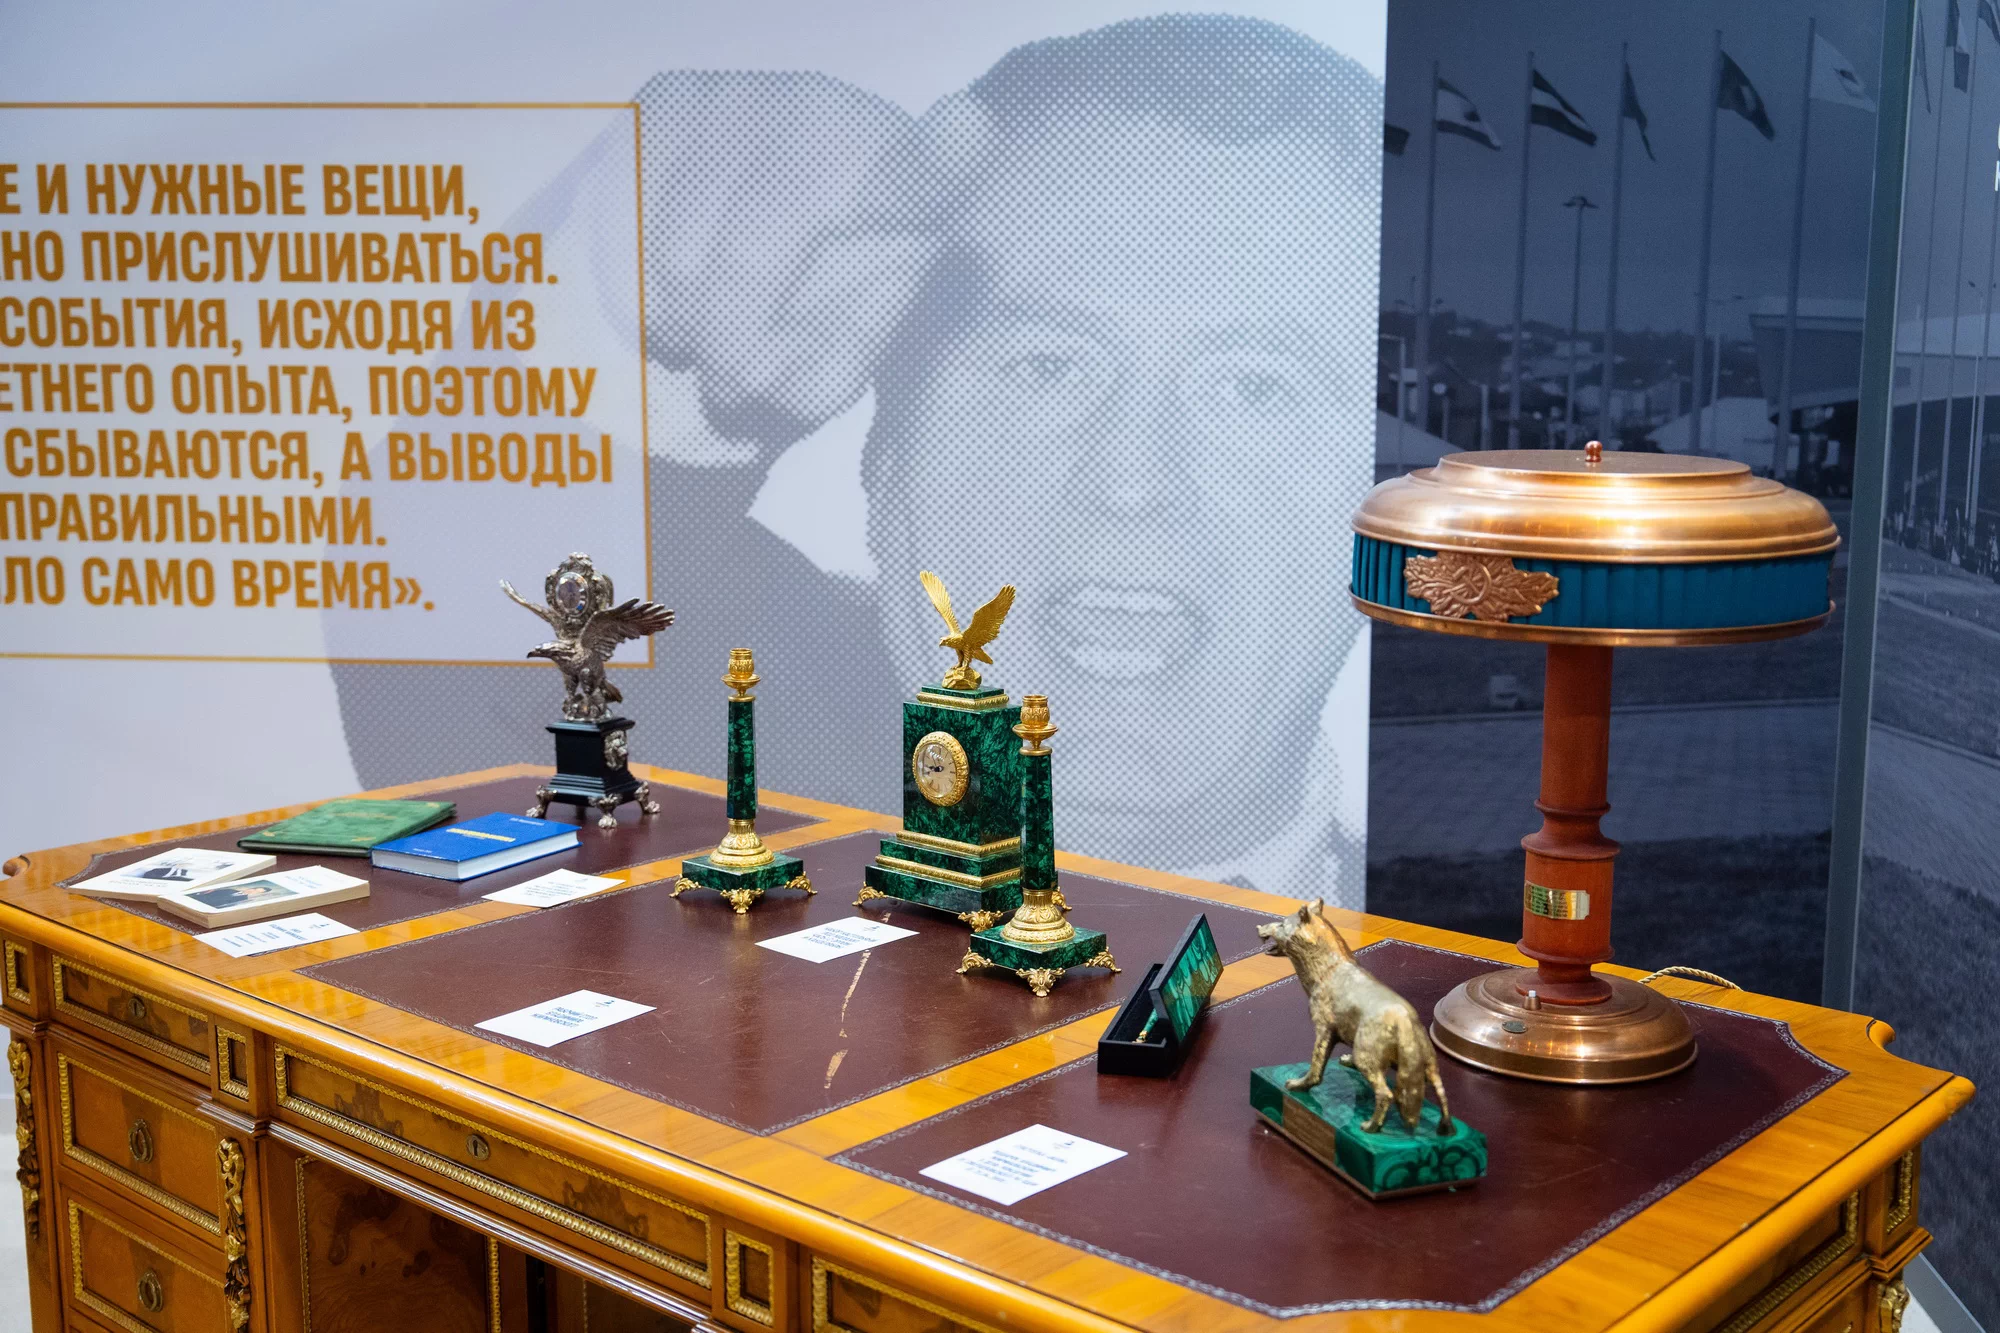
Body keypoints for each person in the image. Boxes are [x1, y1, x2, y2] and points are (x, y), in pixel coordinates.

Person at [329, 13, 1380, 904]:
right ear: (883, 461)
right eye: (1045, 365)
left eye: (1256, 389)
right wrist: (630, 294)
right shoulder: (710, 761)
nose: (1130, 482)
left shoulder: (1456, 959)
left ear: (1382, 510)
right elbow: (468, 619)